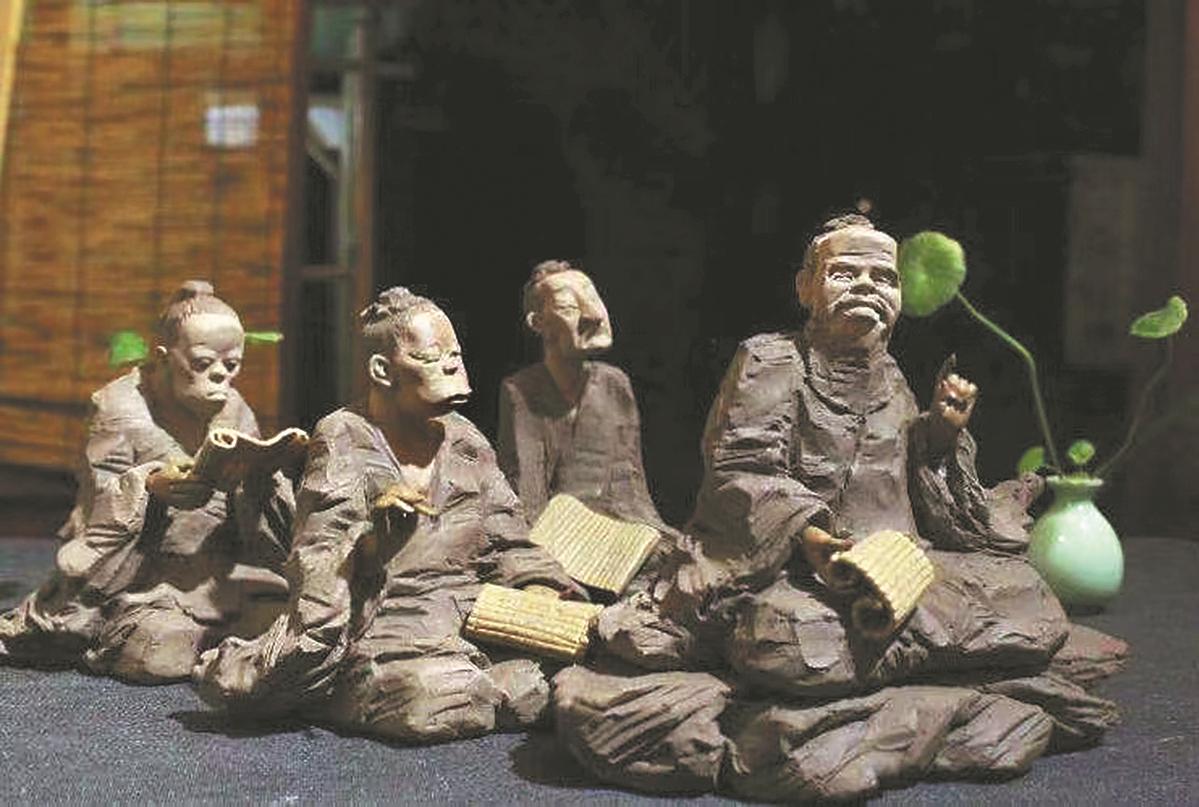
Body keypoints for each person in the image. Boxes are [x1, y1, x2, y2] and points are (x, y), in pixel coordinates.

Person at [553, 216, 1126, 801]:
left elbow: (916, 483)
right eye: (846, 273)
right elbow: (739, 470)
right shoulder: (772, 360)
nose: (867, 287)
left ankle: (893, 663)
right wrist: (812, 537)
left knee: (1028, 595)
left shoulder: (891, 376)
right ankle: (902, 670)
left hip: (907, 567)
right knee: (789, 637)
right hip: (797, 573)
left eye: (885, 277)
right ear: (806, 287)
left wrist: (938, 435)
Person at [194, 287, 577, 743]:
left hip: (472, 612)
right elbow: (318, 552)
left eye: (455, 355)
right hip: (388, 619)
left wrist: (537, 588)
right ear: (382, 370)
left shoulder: (465, 440)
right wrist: (373, 541)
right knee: (429, 697)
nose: (452, 367)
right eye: (431, 357)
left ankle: (482, 683)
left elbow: (509, 536)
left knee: (567, 671)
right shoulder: (343, 435)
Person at [0, 281, 294, 683]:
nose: (220, 376)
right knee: (159, 652)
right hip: (138, 577)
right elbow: (96, 497)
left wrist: (255, 481)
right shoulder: (119, 408)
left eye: (232, 365)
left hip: (213, 570)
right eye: (203, 363)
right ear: (163, 358)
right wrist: (150, 485)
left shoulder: (235, 408)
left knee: (295, 608)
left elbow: (255, 504)